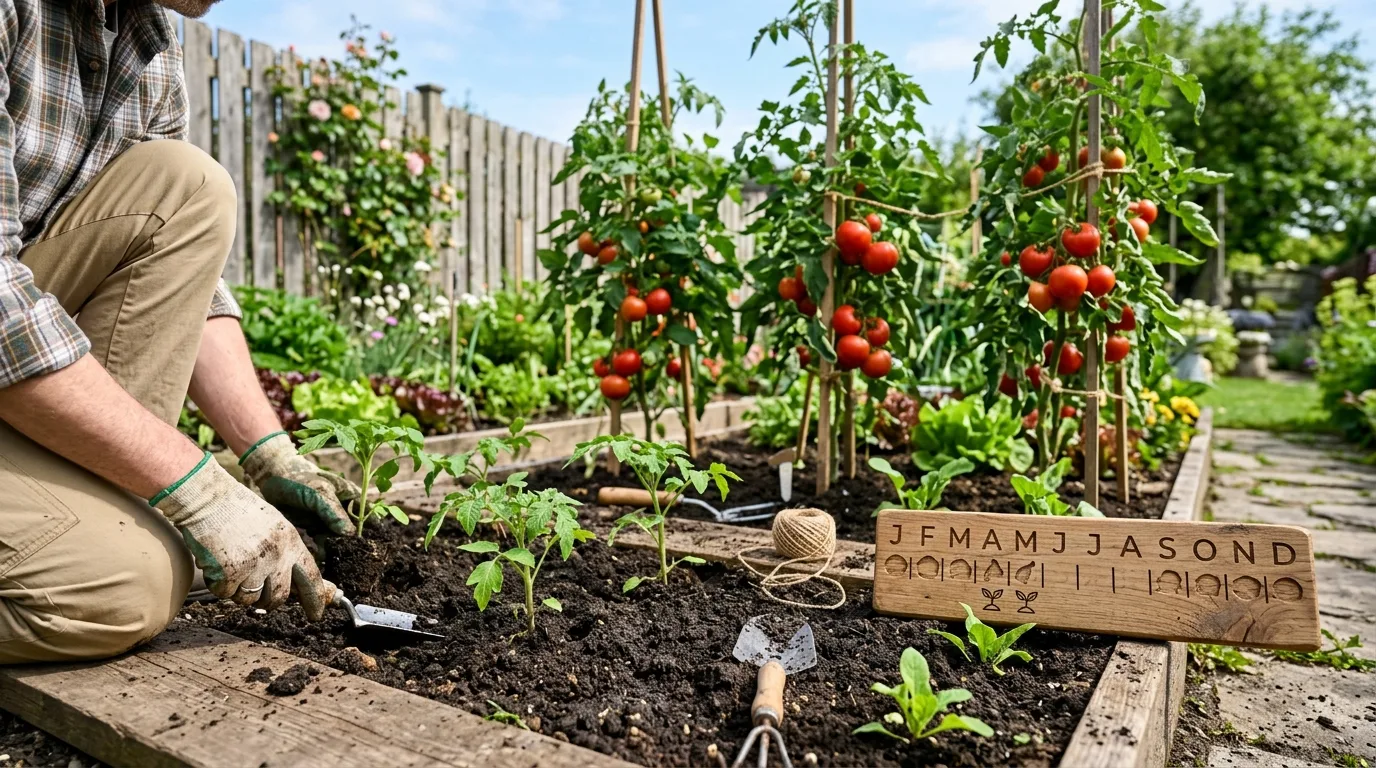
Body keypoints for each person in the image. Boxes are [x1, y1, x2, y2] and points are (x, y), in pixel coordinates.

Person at [0, 0, 356, 663]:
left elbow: (186, 276)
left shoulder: (149, 38)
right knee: (121, 587)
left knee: (189, 186)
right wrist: (196, 488)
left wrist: (269, 456)